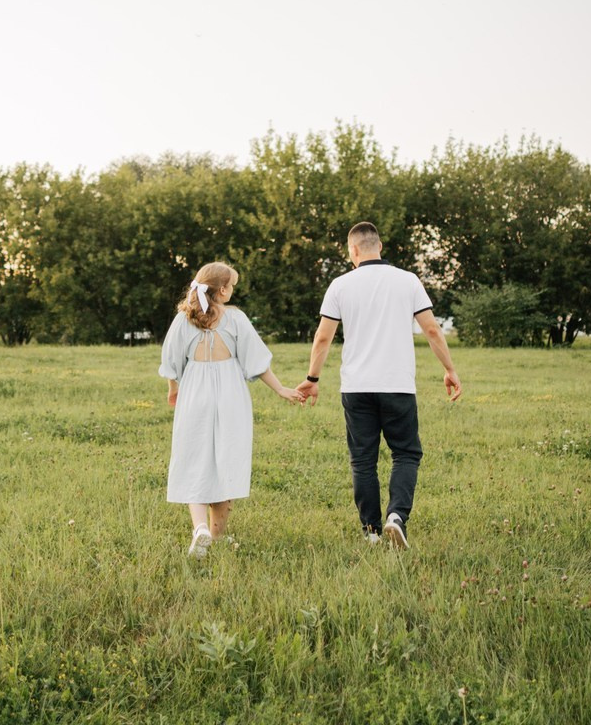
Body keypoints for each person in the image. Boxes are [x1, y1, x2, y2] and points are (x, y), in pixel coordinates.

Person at [296, 222, 462, 549]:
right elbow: (431, 330)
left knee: (362, 460)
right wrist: (449, 369)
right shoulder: (408, 280)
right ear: (380, 246)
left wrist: (312, 379)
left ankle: (371, 531)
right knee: (406, 453)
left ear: (353, 250)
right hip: (397, 385)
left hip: (356, 387)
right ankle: (396, 516)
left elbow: (323, 337)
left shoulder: (340, 285)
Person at [159, 261, 304, 558]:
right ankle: (217, 534)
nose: (234, 291)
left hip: (195, 392)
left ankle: (199, 528)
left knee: (193, 459)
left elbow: (172, 364)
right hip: (230, 395)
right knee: (225, 458)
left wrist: (174, 391)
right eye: (233, 286)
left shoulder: (183, 319)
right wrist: (281, 389)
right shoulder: (236, 319)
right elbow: (256, 360)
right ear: (222, 290)